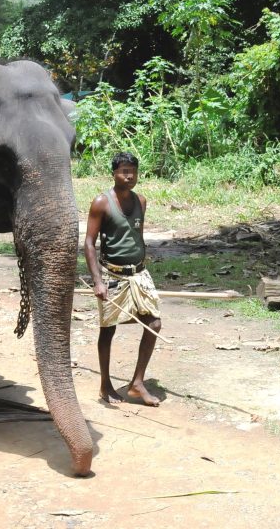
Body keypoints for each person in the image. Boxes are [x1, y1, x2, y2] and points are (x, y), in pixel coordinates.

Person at [84, 152, 163, 407]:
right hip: (112, 274)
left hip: (139, 272)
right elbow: (88, 243)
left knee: (155, 323)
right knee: (108, 330)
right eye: (123, 171)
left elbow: (136, 236)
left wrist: (141, 261)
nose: (129, 176)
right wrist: (98, 281)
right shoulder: (101, 203)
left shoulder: (141, 201)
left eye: (133, 171)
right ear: (114, 173)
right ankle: (105, 384)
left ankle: (137, 383)